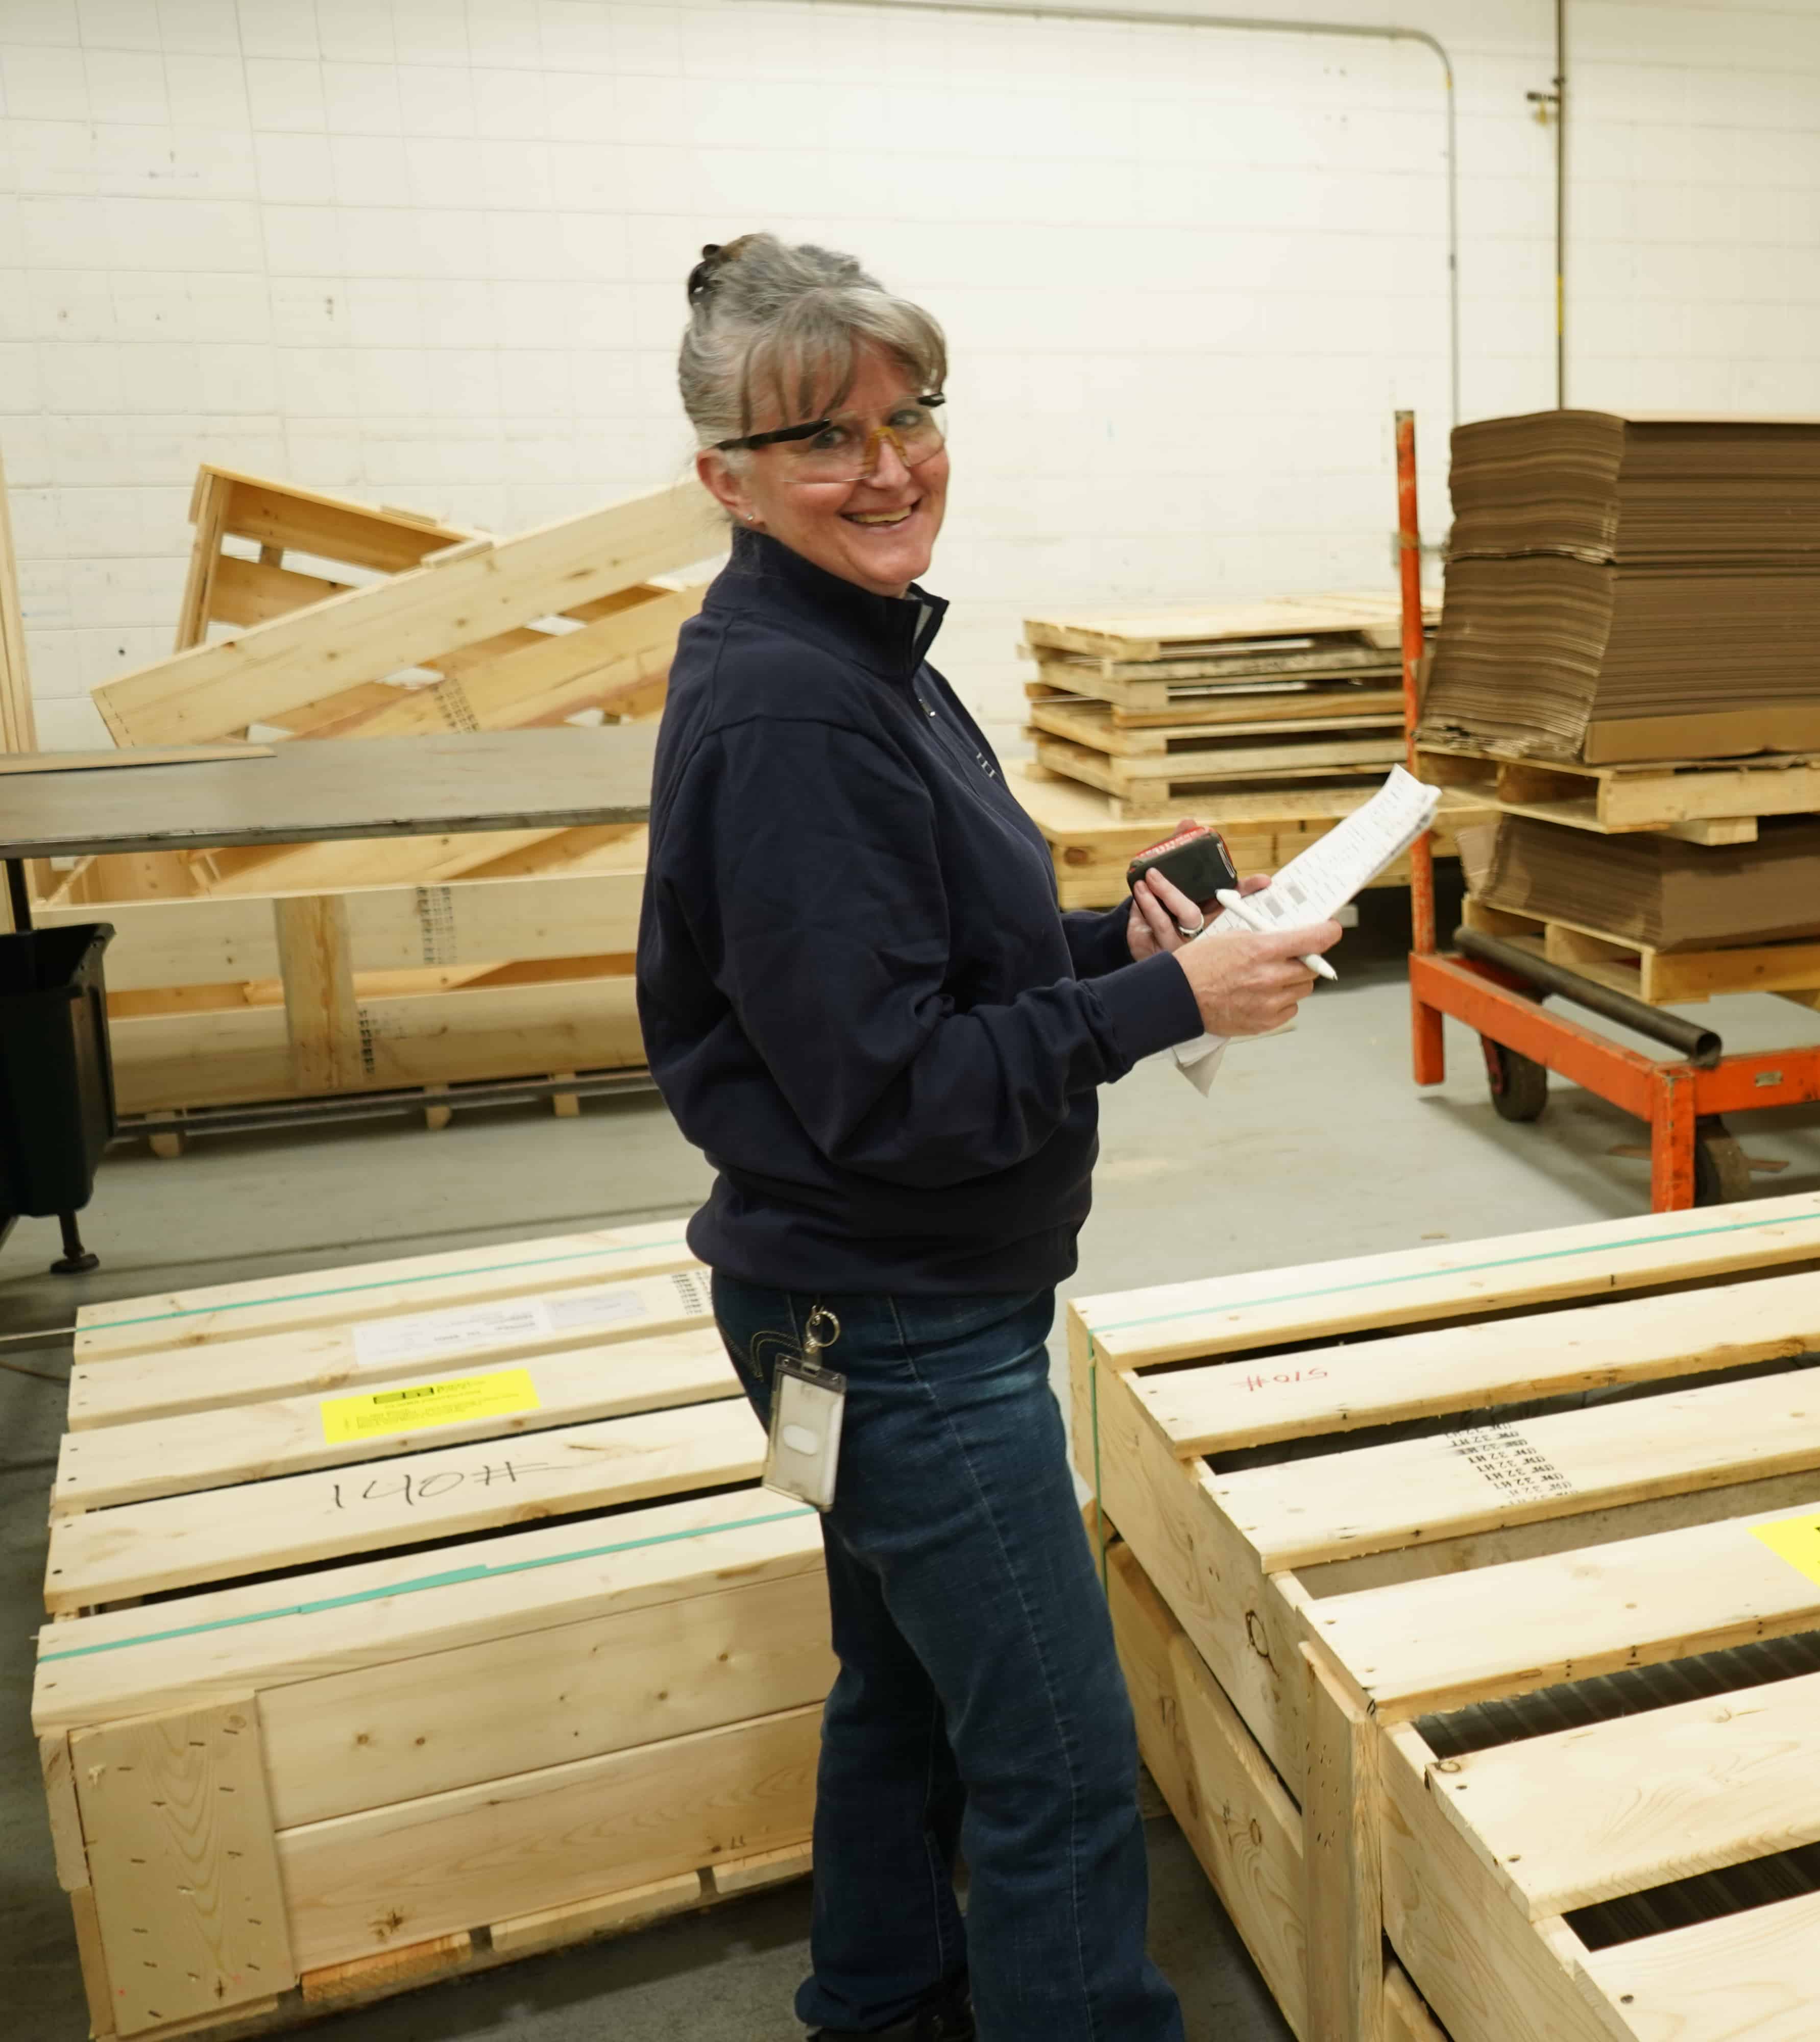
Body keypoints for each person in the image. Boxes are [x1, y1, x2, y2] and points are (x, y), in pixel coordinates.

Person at [637, 233, 1341, 2042]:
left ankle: (879, 2003)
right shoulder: (797, 704)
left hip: (848, 1312)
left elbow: (913, 971)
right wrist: (1169, 1009)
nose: (888, 466)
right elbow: (892, 1089)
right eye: (823, 440)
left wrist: (1116, 943)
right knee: (1054, 1761)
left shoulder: (862, 647)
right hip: (898, 1321)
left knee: (901, 1691)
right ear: (727, 477)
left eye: (911, 412)